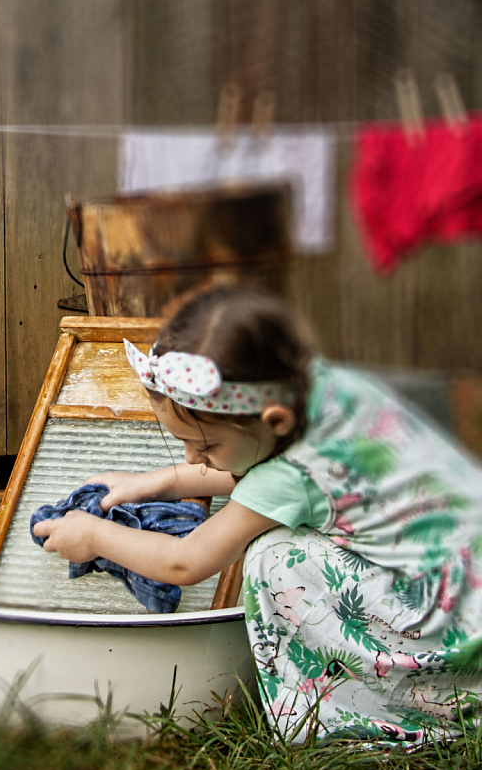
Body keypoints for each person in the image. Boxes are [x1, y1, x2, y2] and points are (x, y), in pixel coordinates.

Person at [33, 286, 482, 744]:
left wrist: (93, 536)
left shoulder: (290, 473)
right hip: (469, 577)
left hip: (450, 628)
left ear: (276, 421)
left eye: (205, 447)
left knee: (274, 556)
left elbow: (184, 561)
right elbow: (263, 474)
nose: (191, 459)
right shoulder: (325, 392)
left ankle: (390, 715)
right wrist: (158, 481)